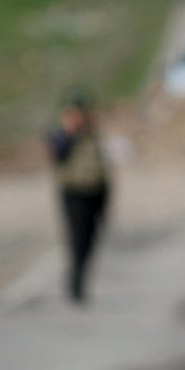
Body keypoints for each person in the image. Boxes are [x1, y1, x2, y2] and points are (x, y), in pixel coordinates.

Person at [47, 93, 110, 303]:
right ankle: (75, 283)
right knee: (78, 240)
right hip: (75, 193)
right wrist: (69, 132)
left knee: (91, 239)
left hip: (96, 191)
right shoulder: (62, 136)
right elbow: (58, 154)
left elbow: (101, 164)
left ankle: (79, 280)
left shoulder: (91, 134)